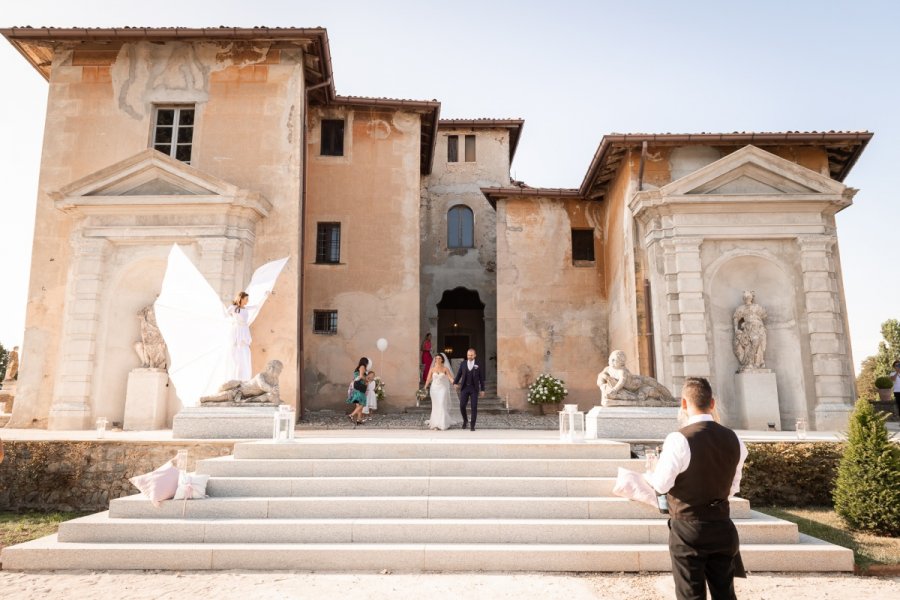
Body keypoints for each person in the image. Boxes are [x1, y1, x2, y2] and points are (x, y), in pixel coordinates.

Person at [644, 377, 748, 600]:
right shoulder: (735, 439)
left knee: (691, 595)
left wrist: (650, 473)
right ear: (712, 403)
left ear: (683, 404)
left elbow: (661, 484)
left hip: (688, 528)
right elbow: (732, 488)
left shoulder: (678, 439)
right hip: (722, 525)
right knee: (725, 594)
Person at [453, 348, 485, 431]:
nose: (469, 356)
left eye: (471, 355)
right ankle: (465, 420)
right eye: (468, 355)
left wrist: (482, 389)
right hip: (465, 387)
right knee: (462, 405)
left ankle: (472, 425)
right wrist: (455, 383)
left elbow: (481, 378)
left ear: (475, 355)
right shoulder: (463, 363)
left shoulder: (478, 364)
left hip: (474, 388)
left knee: (474, 406)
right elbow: (459, 374)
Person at [227, 291, 256, 381]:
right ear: (241, 299)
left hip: (244, 330)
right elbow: (226, 315)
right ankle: (235, 377)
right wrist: (233, 321)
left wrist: (265, 296)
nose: (247, 301)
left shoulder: (246, 309)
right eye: (246, 299)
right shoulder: (233, 308)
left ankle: (244, 377)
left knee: (244, 353)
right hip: (237, 330)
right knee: (236, 353)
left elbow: (256, 306)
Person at [424, 353, 458, 430]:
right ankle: (435, 424)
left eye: (439, 358)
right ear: (435, 359)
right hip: (434, 389)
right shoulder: (432, 369)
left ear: (442, 359)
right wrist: (424, 388)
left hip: (442, 389)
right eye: (436, 358)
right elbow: (428, 379)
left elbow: (450, 377)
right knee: (436, 406)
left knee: (442, 404)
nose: (438, 359)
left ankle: (442, 423)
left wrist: (454, 383)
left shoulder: (445, 369)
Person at [347, 357, 368, 425]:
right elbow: (361, 376)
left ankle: (359, 420)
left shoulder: (358, 367)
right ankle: (351, 415)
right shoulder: (362, 366)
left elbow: (356, 377)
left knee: (358, 405)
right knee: (362, 403)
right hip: (359, 387)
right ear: (365, 362)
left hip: (356, 387)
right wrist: (367, 380)